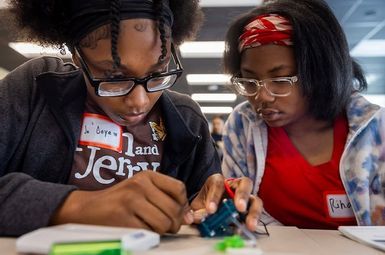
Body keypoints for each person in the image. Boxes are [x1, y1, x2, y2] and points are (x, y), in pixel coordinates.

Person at [0, 0, 262, 237]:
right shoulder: (35, 88)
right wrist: (83, 206)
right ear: (77, 56)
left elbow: (198, 198)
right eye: (113, 77)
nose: (139, 101)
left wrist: (215, 206)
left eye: (158, 72)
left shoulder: (187, 120)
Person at [222, 0, 385, 229]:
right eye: (250, 81)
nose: (262, 96)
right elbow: (237, 220)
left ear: (319, 73)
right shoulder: (243, 125)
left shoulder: (375, 129)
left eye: (280, 81)